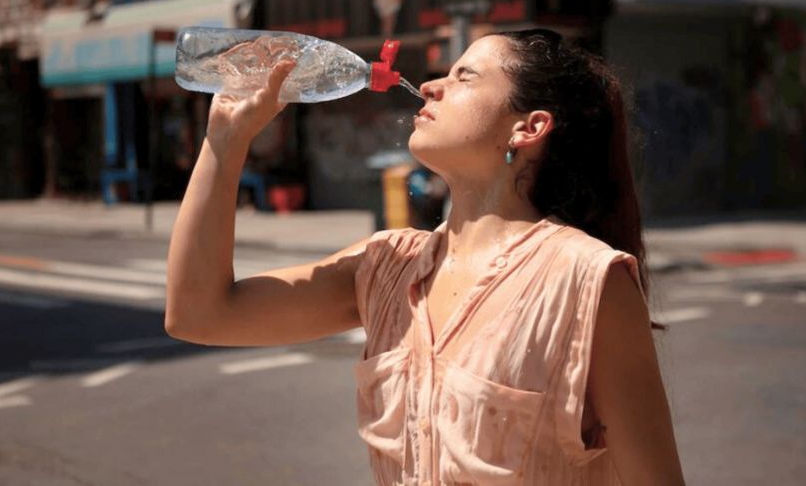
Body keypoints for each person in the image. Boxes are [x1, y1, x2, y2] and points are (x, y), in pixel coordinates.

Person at [165, 29, 685, 485]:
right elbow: (199, 315)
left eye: (465, 76)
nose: (433, 84)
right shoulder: (385, 266)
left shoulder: (586, 278)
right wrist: (225, 142)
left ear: (528, 128)